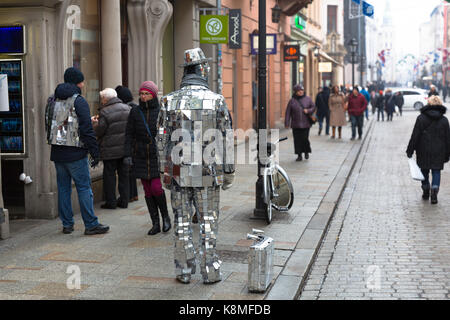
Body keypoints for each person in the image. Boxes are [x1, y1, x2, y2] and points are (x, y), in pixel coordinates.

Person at [157, 48, 235, 284]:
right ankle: (210, 270)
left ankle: (183, 270)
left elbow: (161, 137)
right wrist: (229, 170)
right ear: (202, 70)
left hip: (178, 171)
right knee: (208, 221)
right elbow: (226, 137)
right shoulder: (216, 100)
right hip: (208, 172)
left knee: (181, 221)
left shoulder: (168, 101)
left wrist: (164, 169)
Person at [45, 67, 109, 235]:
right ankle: (91, 224)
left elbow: (49, 124)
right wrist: (95, 152)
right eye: (81, 81)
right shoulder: (78, 101)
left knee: (63, 188)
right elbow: (87, 130)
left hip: (58, 152)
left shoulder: (52, 99)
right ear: (76, 82)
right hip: (75, 152)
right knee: (83, 187)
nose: (83, 83)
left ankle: (67, 224)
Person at [124, 81, 171, 236]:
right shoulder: (135, 112)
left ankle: (165, 217)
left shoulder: (161, 111)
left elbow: (168, 134)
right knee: (147, 190)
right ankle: (155, 222)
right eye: (142, 94)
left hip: (156, 155)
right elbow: (129, 134)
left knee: (157, 187)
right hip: (141, 155)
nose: (143, 97)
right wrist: (128, 154)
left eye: (147, 94)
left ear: (153, 95)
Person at [406, 96, 450, 204]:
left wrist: (410, 150)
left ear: (428, 104)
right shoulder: (444, 120)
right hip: (439, 151)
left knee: (424, 170)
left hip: (423, 150)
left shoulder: (421, 118)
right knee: (436, 171)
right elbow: (448, 138)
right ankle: (434, 192)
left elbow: (415, 135)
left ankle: (426, 189)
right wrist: (447, 153)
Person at [92, 88, 131, 209]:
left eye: (102, 98)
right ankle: (124, 201)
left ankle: (111, 202)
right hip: (124, 148)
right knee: (124, 175)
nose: (102, 101)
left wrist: (94, 124)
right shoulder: (127, 108)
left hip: (110, 150)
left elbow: (100, 131)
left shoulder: (105, 112)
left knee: (110, 176)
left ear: (105, 99)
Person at [115, 85, 139, 202]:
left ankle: (129, 195)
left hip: (129, 143)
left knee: (127, 171)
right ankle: (134, 194)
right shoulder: (136, 107)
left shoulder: (126, 109)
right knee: (132, 170)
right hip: (136, 143)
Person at [285, 84, 316, 161]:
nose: (301, 92)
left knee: (305, 139)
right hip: (295, 124)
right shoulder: (292, 101)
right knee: (297, 140)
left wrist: (308, 110)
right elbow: (288, 112)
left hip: (306, 124)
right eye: (299, 91)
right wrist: (286, 123)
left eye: (302, 90)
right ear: (295, 92)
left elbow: (313, 107)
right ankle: (299, 155)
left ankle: (306, 152)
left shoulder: (308, 99)